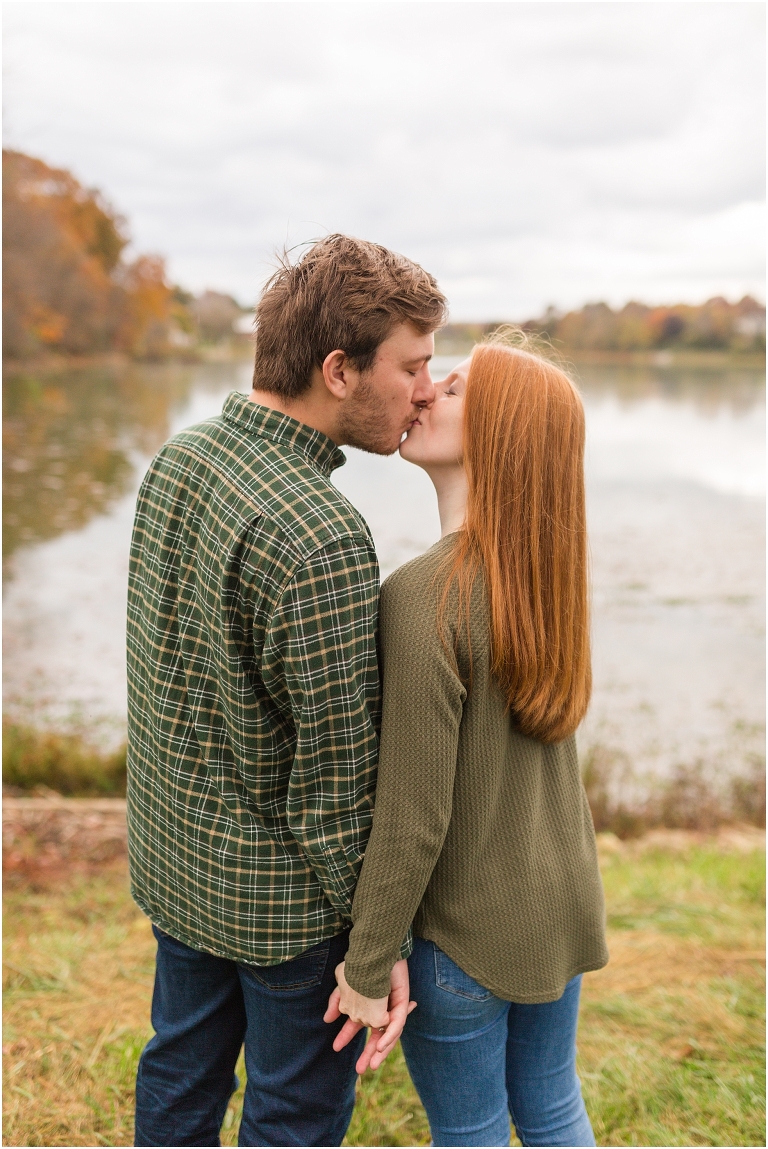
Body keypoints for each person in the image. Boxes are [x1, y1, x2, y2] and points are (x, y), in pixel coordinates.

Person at [126, 233, 447, 1147]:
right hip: (285, 916)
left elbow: (164, 673)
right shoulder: (322, 533)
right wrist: (371, 951)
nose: (424, 389)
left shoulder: (183, 456)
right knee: (293, 1115)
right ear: (340, 369)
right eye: (413, 366)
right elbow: (335, 787)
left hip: (175, 863)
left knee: (179, 1070)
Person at [327, 333, 609, 1147]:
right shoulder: (549, 580)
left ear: (498, 436)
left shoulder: (424, 597)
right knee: (554, 1107)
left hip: (466, 938)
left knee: (474, 1131)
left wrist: (368, 964)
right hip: (558, 903)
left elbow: (412, 814)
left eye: (450, 389)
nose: (422, 394)